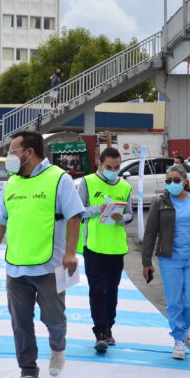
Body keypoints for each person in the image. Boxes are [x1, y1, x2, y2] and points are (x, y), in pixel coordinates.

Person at [0, 131, 83, 378]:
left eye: (13, 151)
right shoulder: (12, 184)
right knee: (21, 322)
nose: (10, 157)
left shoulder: (59, 179)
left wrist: (70, 252)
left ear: (28, 152)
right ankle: (28, 373)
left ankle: (58, 347)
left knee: (53, 317)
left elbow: (74, 217)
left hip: (51, 264)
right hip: (16, 266)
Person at [141, 164, 190, 360]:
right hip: (170, 258)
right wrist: (147, 261)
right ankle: (178, 339)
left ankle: (186, 327)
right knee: (174, 301)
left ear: (185, 182)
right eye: (168, 181)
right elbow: (150, 233)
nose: (172, 184)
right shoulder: (160, 202)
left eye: (176, 180)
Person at [78, 147, 134, 353]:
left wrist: (123, 218)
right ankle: (100, 332)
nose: (113, 170)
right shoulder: (87, 182)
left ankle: (109, 327)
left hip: (116, 247)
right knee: (97, 289)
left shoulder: (125, 186)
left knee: (112, 291)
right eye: (109, 167)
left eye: (117, 167)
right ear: (100, 164)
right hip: (93, 245)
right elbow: (77, 210)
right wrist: (98, 209)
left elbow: (130, 214)